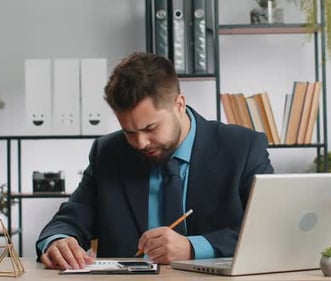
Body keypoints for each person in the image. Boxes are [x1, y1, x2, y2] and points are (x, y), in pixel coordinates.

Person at [36, 52, 274, 270]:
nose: (140, 143)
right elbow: (70, 219)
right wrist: (59, 241)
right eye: (129, 131)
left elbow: (269, 230)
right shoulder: (108, 152)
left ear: (179, 105)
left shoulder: (242, 148)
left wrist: (194, 247)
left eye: (150, 128)